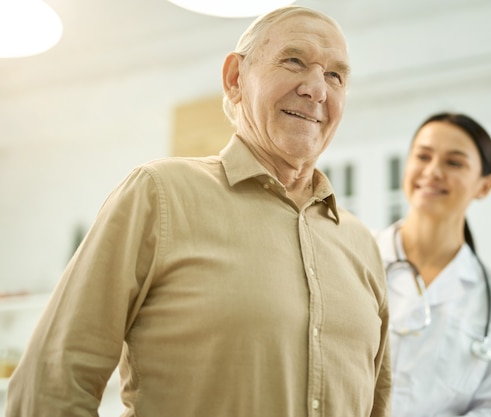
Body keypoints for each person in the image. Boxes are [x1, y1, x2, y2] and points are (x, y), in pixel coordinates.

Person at [6, 6, 391, 417]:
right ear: (235, 78)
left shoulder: (361, 245)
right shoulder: (159, 195)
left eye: (336, 75)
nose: (317, 89)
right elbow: (49, 387)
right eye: (294, 60)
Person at [376, 112, 491, 416]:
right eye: (423, 156)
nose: (433, 171)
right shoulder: (356, 253)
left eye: (454, 162)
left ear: (485, 186)